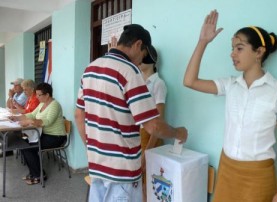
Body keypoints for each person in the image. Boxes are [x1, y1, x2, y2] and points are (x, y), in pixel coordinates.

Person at [183, 10, 277, 202]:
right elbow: (189, 81)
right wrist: (203, 41)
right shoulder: (230, 85)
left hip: (259, 176)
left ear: (259, 52)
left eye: (239, 48)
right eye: (232, 48)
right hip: (227, 169)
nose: (232, 54)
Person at [75, 24, 188, 202]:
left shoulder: (90, 69)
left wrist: (92, 148)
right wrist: (177, 133)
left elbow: (79, 116)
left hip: (96, 165)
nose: (140, 60)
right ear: (137, 45)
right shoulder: (129, 72)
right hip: (122, 171)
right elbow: (153, 125)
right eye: (143, 54)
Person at [11, 83, 67, 185]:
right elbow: (32, 114)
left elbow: (48, 121)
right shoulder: (41, 104)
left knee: (28, 148)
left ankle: (39, 175)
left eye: (39, 95)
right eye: (36, 94)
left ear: (47, 95)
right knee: (23, 144)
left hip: (56, 137)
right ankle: (34, 173)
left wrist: (30, 121)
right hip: (44, 134)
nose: (37, 97)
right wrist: (17, 118)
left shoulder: (55, 105)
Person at [139, 45, 167, 202]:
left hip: (150, 137)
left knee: (150, 182)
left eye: (143, 56)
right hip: (137, 135)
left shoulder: (158, 84)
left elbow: (159, 121)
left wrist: (147, 151)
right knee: (140, 181)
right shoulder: (138, 82)